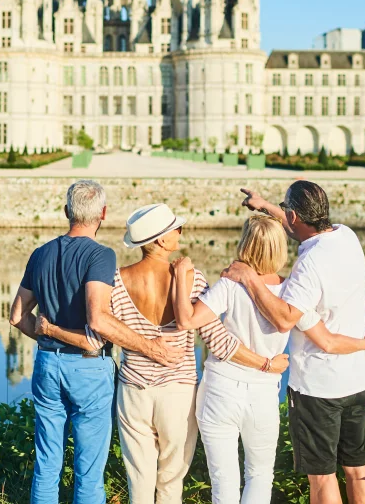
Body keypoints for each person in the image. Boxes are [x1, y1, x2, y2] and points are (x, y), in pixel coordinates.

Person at [35, 203, 291, 504]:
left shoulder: (116, 281)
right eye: (176, 229)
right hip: (178, 394)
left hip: (134, 392)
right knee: (171, 482)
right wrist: (266, 364)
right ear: (160, 239)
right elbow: (218, 341)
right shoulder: (192, 279)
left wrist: (50, 330)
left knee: (139, 482)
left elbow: (96, 337)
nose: (181, 232)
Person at [172, 215, 365, 504]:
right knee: (260, 475)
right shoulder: (293, 294)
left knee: (223, 480)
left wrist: (181, 278)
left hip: (220, 388)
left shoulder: (231, 284)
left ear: (246, 245)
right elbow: (327, 339)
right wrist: (364, 343)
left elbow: (187, 320)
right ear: (280, 249)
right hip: (263, 393)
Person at [9, 182, 187, 504]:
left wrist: (48, 334)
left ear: (67, 212)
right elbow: (99, 320)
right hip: (88, 369)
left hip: (47, 364)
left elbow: (17, 316)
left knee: (47, 463)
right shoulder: (100, 255)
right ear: (103, 214)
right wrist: (153, 348)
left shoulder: (41, 254)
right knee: (88, 470)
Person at [222, 181, 365, 504]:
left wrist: (249, 278)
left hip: (319, 389)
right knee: (357, 467)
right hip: (359, 379)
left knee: (322, 477)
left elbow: (284, 318)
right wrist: (266, 206)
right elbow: (297, 224)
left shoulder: (308, 265)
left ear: (293, 217)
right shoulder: (347, 236)